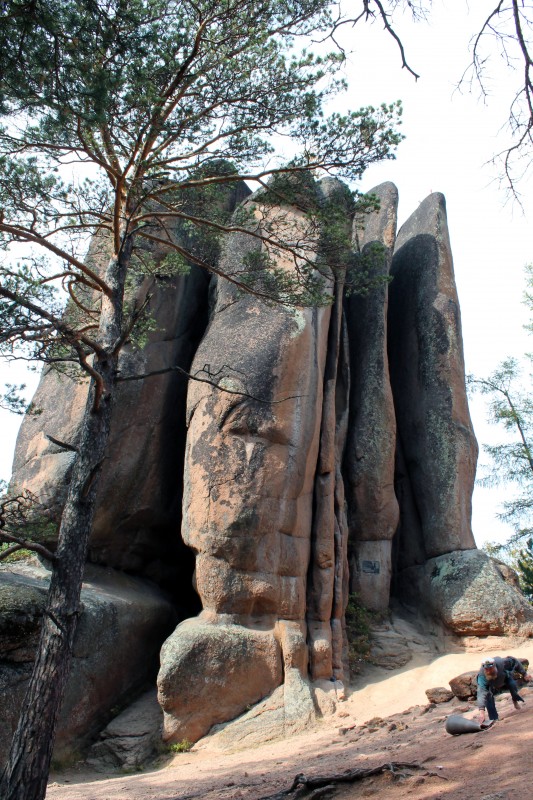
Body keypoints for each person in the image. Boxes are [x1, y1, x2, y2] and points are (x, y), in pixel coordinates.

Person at [477, 656, 532, 723]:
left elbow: (515, 662)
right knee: (488, 696)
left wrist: (524, 674)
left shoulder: (502, 663)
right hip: (491, 685)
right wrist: (481, 713)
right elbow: (481, 693)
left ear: (495, 666)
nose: (489, 671)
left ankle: (515, 700)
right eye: (486, 669)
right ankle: (494, 719)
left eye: (491, 669)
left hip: (505, 679)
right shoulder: (482, 676)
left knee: (512, 684)